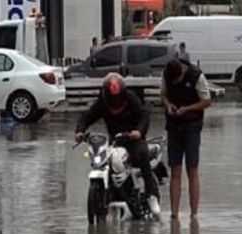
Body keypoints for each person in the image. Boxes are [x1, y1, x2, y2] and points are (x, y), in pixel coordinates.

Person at [75, 73, 161, 216]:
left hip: (133, 139)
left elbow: (143, 115)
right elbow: (87, 116)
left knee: (143, 154)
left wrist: (139, 131)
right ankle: (109, 194)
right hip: (114, 140)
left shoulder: (131, 98)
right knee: (104, 161)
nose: (114, 102)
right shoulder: (102, 102)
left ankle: (151, 195)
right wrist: (80, 131)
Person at [161, 59, 211, 220]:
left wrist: (187, 109)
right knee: (175, 170)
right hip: (173, 126)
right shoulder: (166, 75)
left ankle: (194, 214)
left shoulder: (197, 76)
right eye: (173, 81)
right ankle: (174, 213)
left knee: (192, 170)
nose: (175, 83)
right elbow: (163, 95)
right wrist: (168, 105)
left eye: (178, 80)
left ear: (182, 72)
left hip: (192, 126)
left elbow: (206, 101)